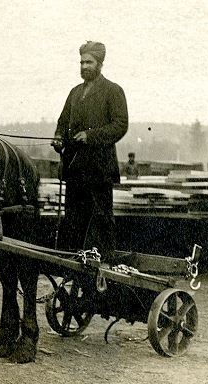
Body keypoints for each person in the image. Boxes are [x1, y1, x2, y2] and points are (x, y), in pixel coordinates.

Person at [52, 41, 128, 263]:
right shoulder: (74, 93)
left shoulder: (113, 91)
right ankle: (76, 265)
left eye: (89, 62)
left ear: (100, 64)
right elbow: (62, 121)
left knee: (100, 219)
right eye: (82, 62)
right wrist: (58, 137)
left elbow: (120, 125)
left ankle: (104, 265)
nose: (84, 66)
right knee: (74, 220)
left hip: (99, 169)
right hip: (75, 169)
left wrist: (90, 136)